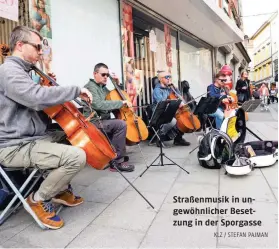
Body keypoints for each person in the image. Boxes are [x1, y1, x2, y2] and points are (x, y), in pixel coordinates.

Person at [0, 26, 93, 230]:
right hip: (14, 146)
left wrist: (49, 84)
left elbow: (37, 104)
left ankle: (58, 188)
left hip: (34, 137)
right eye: (37, 47)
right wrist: (74, 90)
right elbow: (35, 98)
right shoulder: (9, 71)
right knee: (75, 156)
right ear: (20, 45)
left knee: (75, 138)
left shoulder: (25, 72)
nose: (41, 52)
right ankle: (38, 198)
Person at [83, 63, 135, 172]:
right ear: (95, 74)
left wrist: (117, 83)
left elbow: (115, 95)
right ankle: (117, 162)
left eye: (107, 75)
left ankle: (114, 155)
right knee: (120, 124)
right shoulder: (90, 87)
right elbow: (98, 105)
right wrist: (121, 103)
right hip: (93, 122)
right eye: (103, 74)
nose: (106, 77)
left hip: (103, 121)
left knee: (119, 122)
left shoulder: (103, 88)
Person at [152, 71, 191, 146]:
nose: (169, 79)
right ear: (160, 79)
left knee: (182, 119)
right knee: (173, 121)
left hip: (169, 111)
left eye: (170, 77)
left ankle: (178, 139)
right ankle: (160, 137)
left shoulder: (170, 88)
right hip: (160, 113)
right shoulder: (157, 90)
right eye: (167, 77)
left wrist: (175, 89)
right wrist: (174, 103)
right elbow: (162, 103)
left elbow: (180, 98)